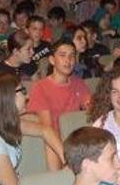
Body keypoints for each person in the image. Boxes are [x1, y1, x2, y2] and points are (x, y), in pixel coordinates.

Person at [26, 40, 92, 170]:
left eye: (72, 56)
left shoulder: (79, 83)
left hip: (77, 140)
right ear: (52, 60)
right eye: (62, 55)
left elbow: (91, 112)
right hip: (54, 142)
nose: (68, 60)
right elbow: (47, 127)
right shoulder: (41, 87)